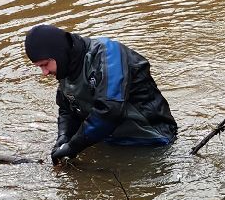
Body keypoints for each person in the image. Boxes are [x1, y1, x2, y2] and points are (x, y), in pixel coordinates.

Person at [24, 24, 177, 163]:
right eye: (39, 67)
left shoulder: (108, 53)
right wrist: (64, 136)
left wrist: (73, 146)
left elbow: (110, 109)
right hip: (110, 142)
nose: (44, 72)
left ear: (58, 53)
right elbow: (67, 109)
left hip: (154, 142)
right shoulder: (65, 67)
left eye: (45, 65)